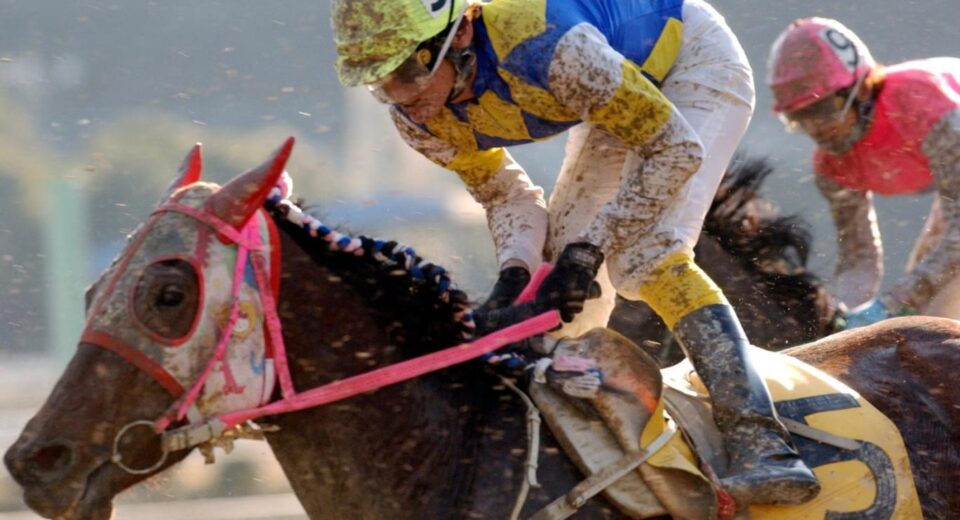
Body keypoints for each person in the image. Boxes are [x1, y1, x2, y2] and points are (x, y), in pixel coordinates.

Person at [331, 0, 819, 505]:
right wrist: (515, 275)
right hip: (615, 92)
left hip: (691, 60)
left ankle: (762, 441)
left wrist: (589, 250)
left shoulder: (548, 49)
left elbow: (675, 149)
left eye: (408, 72)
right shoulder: (418, 122)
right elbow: (505, 196)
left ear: (459, 34)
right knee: (556, 277)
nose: (402, 97)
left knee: (645, 256)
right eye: (380, 82)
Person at [767, 17, 960, 328]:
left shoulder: (929, 109)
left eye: (823, 111)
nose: (817, 129)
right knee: (921, 317)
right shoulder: (831, 167)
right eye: (800, 117)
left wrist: (892, 304)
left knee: (932, 318)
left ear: (863, 88)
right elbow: (858, 257)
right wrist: (843, 318)